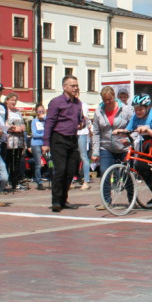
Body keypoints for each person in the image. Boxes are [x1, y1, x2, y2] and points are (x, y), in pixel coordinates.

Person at [43, 75, 86, 213]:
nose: (75, 88)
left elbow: (82, 119)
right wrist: (46, 142)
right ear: (64, 86)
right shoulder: (56, 102)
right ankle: (56, 201)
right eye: (72, 85)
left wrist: (82, 124)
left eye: (76, 86)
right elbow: (49, 122)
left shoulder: (78, 103)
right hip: (59, 139)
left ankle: (63, 199)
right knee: (60, 170)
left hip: (73, 139)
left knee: (71, 171)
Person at [92, 85, 133, 208]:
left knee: (127, 174)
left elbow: (133, 126)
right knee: (105, 171)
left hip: (123, 147)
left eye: (109, 99)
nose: (107, 102)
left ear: (114, 97)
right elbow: (96, 132)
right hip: (106, 147)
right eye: (104, 100)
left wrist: (129, 138)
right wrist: (95, 152)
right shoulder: (99, 111)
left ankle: (132, 199)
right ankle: (106, 201)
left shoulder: (125, 110)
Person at [4, 93, 27, 191]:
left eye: (15, 100)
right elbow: (4, 124)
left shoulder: (18, 112)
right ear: (7, 101)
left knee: (17, 162)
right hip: (9, 140)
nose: (13, 102)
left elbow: (23, 124)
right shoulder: (5, 111)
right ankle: (6, 181)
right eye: (12, 100)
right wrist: (13, 128)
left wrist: (22, 127)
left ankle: (15, 181)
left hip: (19, 140)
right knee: (8, 161)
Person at [29, 104, 47, 189]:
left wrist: (45, 118)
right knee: (38, 164)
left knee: (50, 161)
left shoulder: (46, 120)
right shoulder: (34, 121)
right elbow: (35, 134)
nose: (40, 113)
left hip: (45, 143)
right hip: (36, 143)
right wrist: (44, 135)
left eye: (42, 111)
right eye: (39, 112)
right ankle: (39, 182)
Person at [75, 113, 92, 190]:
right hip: (72, 133)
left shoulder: (82, 105)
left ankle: (86, 181)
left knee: (84, 156)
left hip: (82, 132)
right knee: (72, 157)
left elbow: (85, 119)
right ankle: (71, 180)